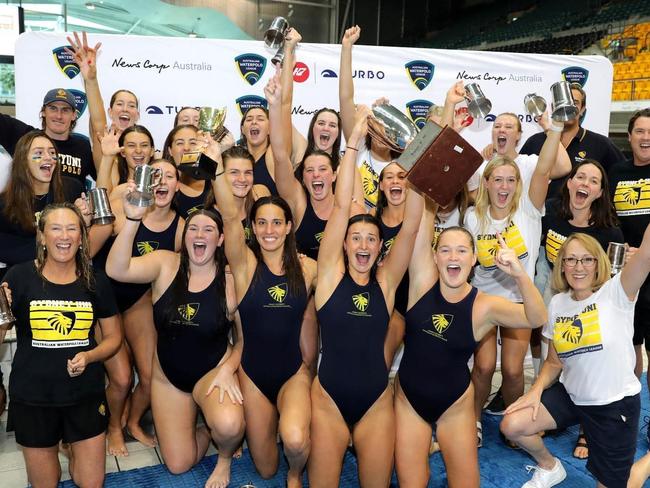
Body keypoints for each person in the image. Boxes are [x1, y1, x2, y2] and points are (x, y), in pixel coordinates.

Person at [308, 108, 422, 487]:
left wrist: (415, 155)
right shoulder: (328, 277)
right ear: (342, 244)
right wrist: (353, 142)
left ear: (379, 249)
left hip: (376, 402)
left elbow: (409, 231)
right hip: (327, 401)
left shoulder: (387, 283)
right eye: (355, 237)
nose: (363, 243)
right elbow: (342, 207)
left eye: (371, 238)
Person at [395, 211, 547, 485]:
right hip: (409, 404)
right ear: (435, 257)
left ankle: (439, 440)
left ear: (474, 258)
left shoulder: (484, 306)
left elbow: (537, 318)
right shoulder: (420, 284)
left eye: (462, 250)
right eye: (445, 250)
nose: (453, 257)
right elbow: (421, 213)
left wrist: (520, 275)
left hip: (455, 406)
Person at [210, 95, 316, 487]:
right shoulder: (245, 263)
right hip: (253, 373)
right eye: (262, 224)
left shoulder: (309, 268)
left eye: (277, 223)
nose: (269, 230)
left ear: (289, 227)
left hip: (292, 373)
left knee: (295, 441)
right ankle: (273, 447)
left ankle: (295, 472)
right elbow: (228, 215)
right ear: (253, 228)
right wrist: (220, 162)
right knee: (263, 467)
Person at [106, 200, 244, 488]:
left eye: (208, 229)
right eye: (193, 228)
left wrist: (227, 369)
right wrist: (132, 220)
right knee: (178, 464)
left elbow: (244, 341)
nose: (199, 234)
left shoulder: (232, 281)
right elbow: (117, 270)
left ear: (219, 239)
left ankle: (225, 457)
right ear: (185, 236)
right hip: (168, 378)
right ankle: (205, 429)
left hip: (211, 372)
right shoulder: (166, 263)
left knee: (230, 426)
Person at [501, 228, 650, 488]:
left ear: (597, 263)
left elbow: (646, 254)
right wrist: (535, 390)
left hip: (613, 405)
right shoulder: (558, 303)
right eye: (570, 259)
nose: (578, 266)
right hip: (571, 397)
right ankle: (550, 467)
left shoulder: (617, 292)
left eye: (586, 259)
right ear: (562, 265)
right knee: (512, 425)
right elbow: (554, 362)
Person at [1, 202, 121, 488]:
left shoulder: (96, 281)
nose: (64, 236)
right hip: (33, 397)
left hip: (85, 394)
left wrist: (90, 356)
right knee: (47, 483)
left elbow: (114, 338)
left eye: (72, 229)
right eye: (55, 228)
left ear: (81, 237)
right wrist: (0, 311)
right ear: (42, 236)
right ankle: (62, 446)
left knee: (90, 482)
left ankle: (72, 446)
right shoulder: (18, 277)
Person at [465, 115, 562, 447]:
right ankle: (473, 419)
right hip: (483, 299)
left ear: (517, 184)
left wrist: (556, 129)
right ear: (487, 182)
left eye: (510, 180)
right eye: (497, 179)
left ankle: (513, 420)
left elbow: (547, 169)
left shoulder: (529, 209)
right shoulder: (472, 216)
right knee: (483, 365)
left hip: (519, 300)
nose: (503, 186)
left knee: (512, 370)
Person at [91, 159, 184, 455]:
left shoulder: (181, 227)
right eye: (156, 175)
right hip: (103, 302)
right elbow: (90, 249)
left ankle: (132, 421)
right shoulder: (125, 209)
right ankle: (114, 427)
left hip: (137, 301)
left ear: (177, 186)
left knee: (148, 375)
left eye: (170, 176)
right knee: (119, 378)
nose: (163, 181)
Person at [607, 108, 650, 439]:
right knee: (629, 343)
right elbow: (608, 219)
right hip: (627, 273)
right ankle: (628, 406)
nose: (645, 137)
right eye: (639, 131)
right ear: (629, 135)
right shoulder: (617, 172)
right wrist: (625, 251)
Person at [0, 131, 84, 275]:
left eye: (52, 153)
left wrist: (83, 222)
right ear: (23, 160)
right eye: (39, 153)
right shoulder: (4, 203)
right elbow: (6, 250)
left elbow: (82, 243)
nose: (48, 158)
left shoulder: (72, 188)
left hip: (66, 275)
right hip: (22, 278)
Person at [520, 83, 624, 199]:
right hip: (539, 215)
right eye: (562, 102)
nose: (567, 107)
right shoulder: (534, 142)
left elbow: (623, 175)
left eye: (574, 103)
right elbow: (517, 177)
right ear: (553, 107)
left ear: (582, 109)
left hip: (583, 216)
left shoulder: (601, 144)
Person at [339, 25, 399, 210]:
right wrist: (347, 47)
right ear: (369, 128)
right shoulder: (358, 150)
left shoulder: (401, 166)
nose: (383, 131)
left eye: (388, 127)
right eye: (378, 124)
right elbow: (346, 98)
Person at [239, 29, 302, 197]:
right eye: (249, 119)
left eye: (260, 118)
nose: (253, 122)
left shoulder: (274, 157)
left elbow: (285, 104)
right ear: (242, 129)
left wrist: (288, 50)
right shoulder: (236, 160)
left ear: (270, 128)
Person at [66, 32, 140, 168]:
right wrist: (91, 79)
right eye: (119, 104)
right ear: (110, 112)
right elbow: (97, 120)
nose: (125, 109)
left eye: (131, 105)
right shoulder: (103, 138)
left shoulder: (144, 145)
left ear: (138, 115)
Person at [0, 88, 95, 186]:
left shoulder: (83, 147)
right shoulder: (26, 137)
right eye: (53, 108)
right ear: (44, 112)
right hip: (26, 201)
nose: (59, 116)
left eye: (65, 110)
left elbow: (105, 177)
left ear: (74, 115)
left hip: (72, 201)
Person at [162, 124, 213, 218]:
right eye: (180, 143)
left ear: (203, 147)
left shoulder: (215, 181)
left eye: (193, 143)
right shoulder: (161, 184)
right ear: (170, 150)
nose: (186, 148)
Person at [96, 124, 155, 198]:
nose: (138, 150)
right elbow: (101, 200)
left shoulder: (161, 179)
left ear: (152, 151)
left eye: (144, 145)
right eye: (131, 145)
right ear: (122, 152)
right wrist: (107, 156)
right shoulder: (116, 176)